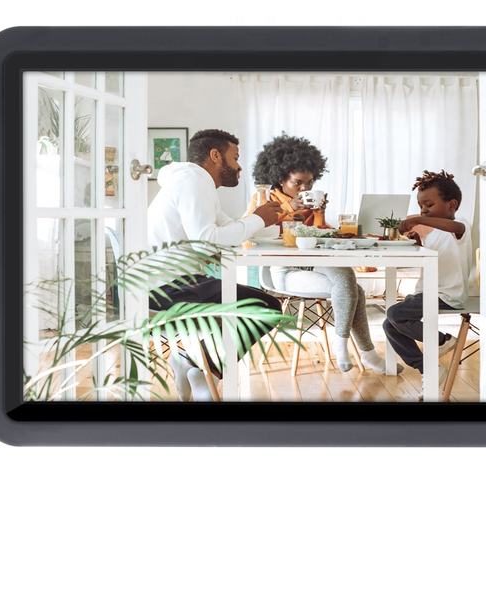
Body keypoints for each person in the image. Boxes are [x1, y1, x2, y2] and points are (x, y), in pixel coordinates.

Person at [148, 129, 284, 400]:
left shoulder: (193, 182)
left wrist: (270, 223)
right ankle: (201, 366)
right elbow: (207, 241)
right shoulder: (193, 181)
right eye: (235, 157)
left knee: (255, 304)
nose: (239, 166)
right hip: (166, 288)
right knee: (266, 307)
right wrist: (258, 218)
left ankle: (190, 361)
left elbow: (228, 228)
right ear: (215, 155)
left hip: (169, 282)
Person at [247, 133, 389, 374]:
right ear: (280, 178)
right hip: (283, 270)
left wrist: (320, 214)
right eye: (298, 183)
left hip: (314, 262)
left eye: (310, 183)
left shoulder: (310, 202)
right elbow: (249, 231)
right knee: (353, 289)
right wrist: (287, 207)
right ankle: (362, 352)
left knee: (347, 279)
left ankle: (350, 348)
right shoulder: (264, 199)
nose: (305, 188)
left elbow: (317, 237)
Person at [382, 169, 473, 384]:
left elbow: (455, 227)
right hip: (427, 292)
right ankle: (428, 369)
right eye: (421, 206)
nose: (424, 210)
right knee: (389, 324)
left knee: (396, 314)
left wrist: (418, 220)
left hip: (448, 295)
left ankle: (443, 340)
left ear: (452, 205)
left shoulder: (460, 226)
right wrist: (417, 240)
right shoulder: (434, 233)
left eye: (429, 205)